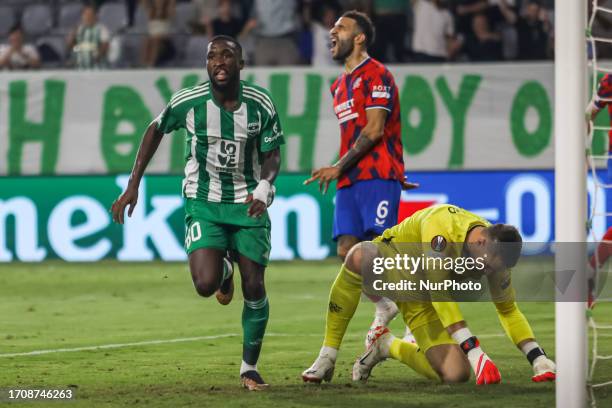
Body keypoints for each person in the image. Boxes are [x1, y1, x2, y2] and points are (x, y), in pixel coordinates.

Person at [110, 35, 284, 390]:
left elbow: (272, 152)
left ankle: (249, 367)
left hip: (247, 202)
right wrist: (133, 184)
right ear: (206, 65)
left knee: (255, 285)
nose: (219, 61)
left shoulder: (260, 103)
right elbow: (154, 130)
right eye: (212, 56)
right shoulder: (188, 101)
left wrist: (266, 186)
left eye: (227, 55)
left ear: (241, 64)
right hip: (203, 202)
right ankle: (223, 272)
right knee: (205, 285)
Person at [302, 204, 557, 385]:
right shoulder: (442, 230)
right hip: (393, 264)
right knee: (360, 254)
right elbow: (440, 294)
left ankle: (385, 345)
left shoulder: (496, 254)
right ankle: (327, 355)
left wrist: (537, 357)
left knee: (455, 374)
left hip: (421, 298)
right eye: (487, 267)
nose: (487, 273)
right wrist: (475, 352)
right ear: (480, 242)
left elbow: (508, 310)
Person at [305, 9, 419, 359]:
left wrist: (338, 167)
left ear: (359, 38)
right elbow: (354, 133)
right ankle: (385, 305)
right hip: (352, 180)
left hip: (376, 175)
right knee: (346, 252)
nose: (331, 31)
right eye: (332, 26)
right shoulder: (338, 85)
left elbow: (374, 130)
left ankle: (418, 321)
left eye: (340, 27)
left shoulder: (377, 74)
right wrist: (342, 170)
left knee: (381, 251)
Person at [67, 3, 110, 69]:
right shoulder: (78, 29)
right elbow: (71, 46)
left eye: (90, 15)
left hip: (97, 66)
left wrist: (97, 55)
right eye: (85, 15)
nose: (88, 17)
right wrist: (72, 35)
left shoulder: (101, 29)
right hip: (79, 66)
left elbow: (105, 46)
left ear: (95, 16)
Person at [140, 0, 176, 67]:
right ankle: (144, 64)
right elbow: (143, 3)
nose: (158, 2)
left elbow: (172, 4)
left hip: (165, 41)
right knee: (146, 40)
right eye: (157, 1)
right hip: (152, 39)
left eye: (160, 1)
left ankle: (152, 63)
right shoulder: (151, 12)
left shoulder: (168, 12)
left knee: (155, 40)